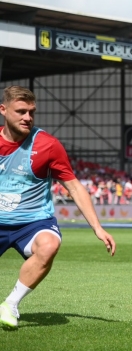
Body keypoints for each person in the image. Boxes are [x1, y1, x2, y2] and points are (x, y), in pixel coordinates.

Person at [0, 86, 116, 329]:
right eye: (21, 111)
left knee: (50, 244)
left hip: (33, 222)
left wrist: (98, 228)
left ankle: (10, 304)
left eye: (31, 112)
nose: (27, 117)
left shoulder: (48, 145)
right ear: (3, 110)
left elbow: (74, 187)